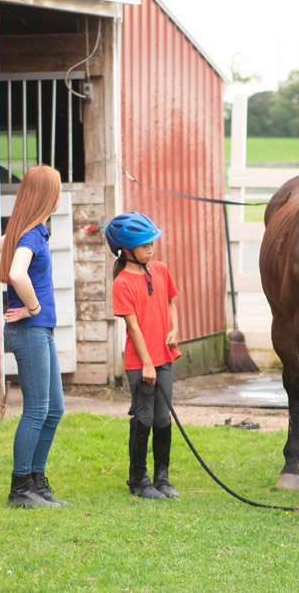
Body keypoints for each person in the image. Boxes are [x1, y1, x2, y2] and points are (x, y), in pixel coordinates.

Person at [0, 165, 67, 508]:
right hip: (30, 328)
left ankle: (36, 480)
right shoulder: (30, 234)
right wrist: (31, 306)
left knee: (54, 409)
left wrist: (25, 301)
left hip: (40, 329)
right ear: (47, 194)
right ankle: (20, 490)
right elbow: (17, 271)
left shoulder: (30, 230)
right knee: (37, 409)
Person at [106, 212, 182, 500]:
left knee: (164, 419)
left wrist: (174, 329)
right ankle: (138, 479)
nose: (151, 249)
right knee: (145, 418)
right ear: (126, 249)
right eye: (144, 245)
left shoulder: (160, 270)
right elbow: (133, 327)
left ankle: (162, 478)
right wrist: (148, 363)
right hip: (141, 364)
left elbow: (170, 303)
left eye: (152, 243)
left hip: (164, 357)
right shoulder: (122, 283)